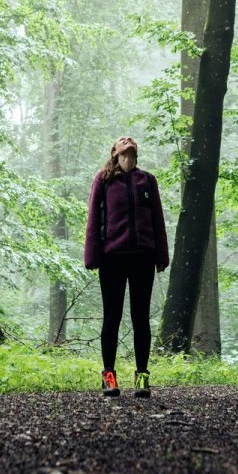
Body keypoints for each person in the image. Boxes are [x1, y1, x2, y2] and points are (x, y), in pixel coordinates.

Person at [83, 136, 169, 398]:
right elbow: (93, 218)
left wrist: (161, 256)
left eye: (132, 154)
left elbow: (157, 220)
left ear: (136, 156)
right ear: (115, 156)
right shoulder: (104, 180)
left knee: (141, 318)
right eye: (124, 154)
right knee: (112, 317)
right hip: (113, 258)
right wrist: (92, 256)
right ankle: (108, 375)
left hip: (143, 257)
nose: (128, 159)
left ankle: (142, 376)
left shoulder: (148, 181)